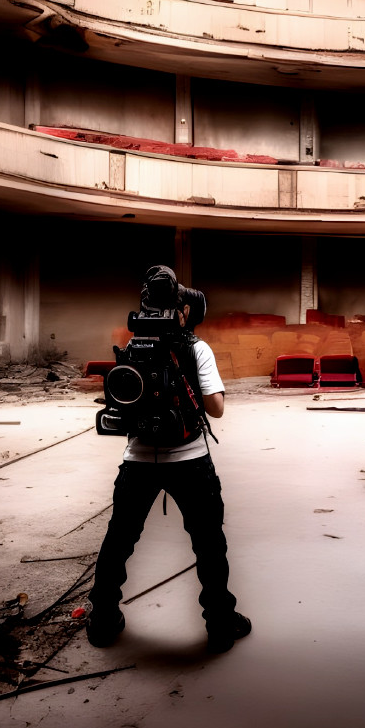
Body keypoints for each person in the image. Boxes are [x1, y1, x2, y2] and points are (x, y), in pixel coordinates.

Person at [86, 264, 251, 653]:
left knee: (119, 541)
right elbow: (216, 410)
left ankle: (104, 619)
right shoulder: (197, 347)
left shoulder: (130, 348)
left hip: (137, 460)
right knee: (209, 544)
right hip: (190, 459)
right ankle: (221, 623)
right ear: (181, 310)